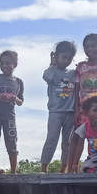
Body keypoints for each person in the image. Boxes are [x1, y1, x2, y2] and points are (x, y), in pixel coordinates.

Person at [0, 50, 24, 173]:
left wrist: (14, 98)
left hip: (9, 117)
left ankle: (13, 171)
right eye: (2, 63)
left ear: (15, 64)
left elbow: (20, 101)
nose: (5, 66)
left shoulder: (18, 82)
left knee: (12, 143)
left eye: (8, 63)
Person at [40, 41, 77, 173]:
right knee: (51, 139)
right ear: (56, 56)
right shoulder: (51, 72)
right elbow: (46, 76)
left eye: (69, 58)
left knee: (67, 142)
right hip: (55, 112)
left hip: (70, 112)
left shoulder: (73, 73)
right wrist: (52, 63)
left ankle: (64, 168)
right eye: (63, 57)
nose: (66, 60)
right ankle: (44, 167)